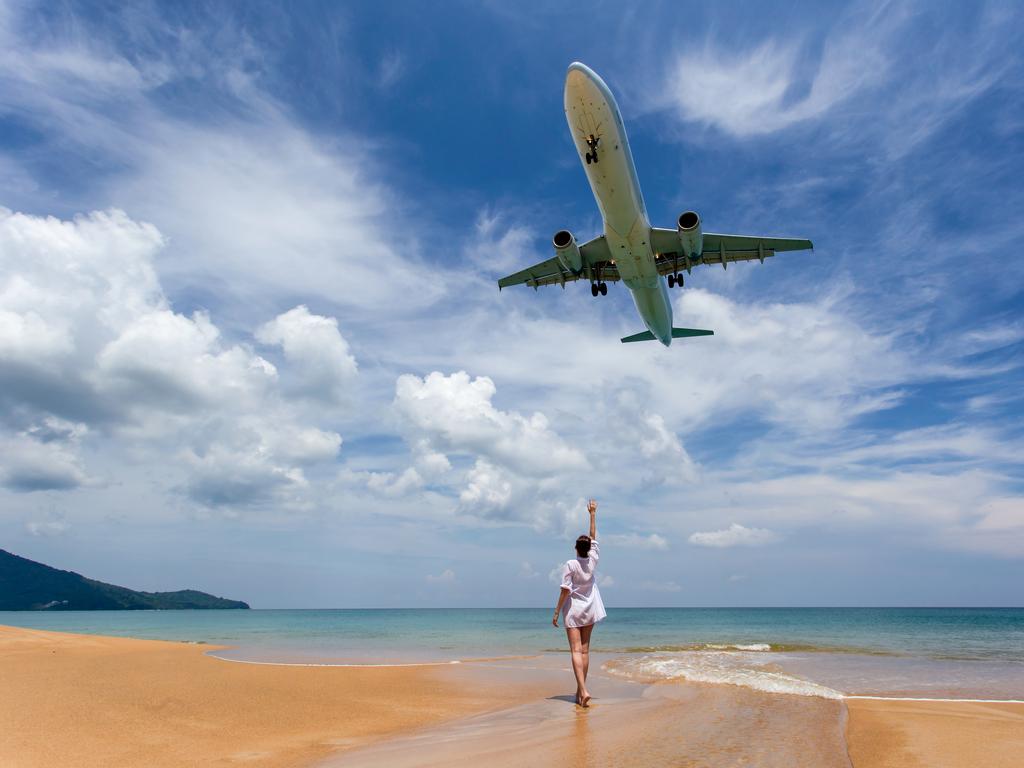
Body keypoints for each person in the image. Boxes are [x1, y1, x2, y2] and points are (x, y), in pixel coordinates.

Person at [552, 498, 606, 707]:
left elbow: (565, 591)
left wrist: (556, 612)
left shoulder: (571, 564)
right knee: (585, 650)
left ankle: (583, 690)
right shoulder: (592, 560)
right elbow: (593, 537)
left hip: (574, 611)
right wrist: (592, 514)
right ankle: (579, 691)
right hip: (590, 609)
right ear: (588, 549)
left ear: (575, 548)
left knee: (575, 651)